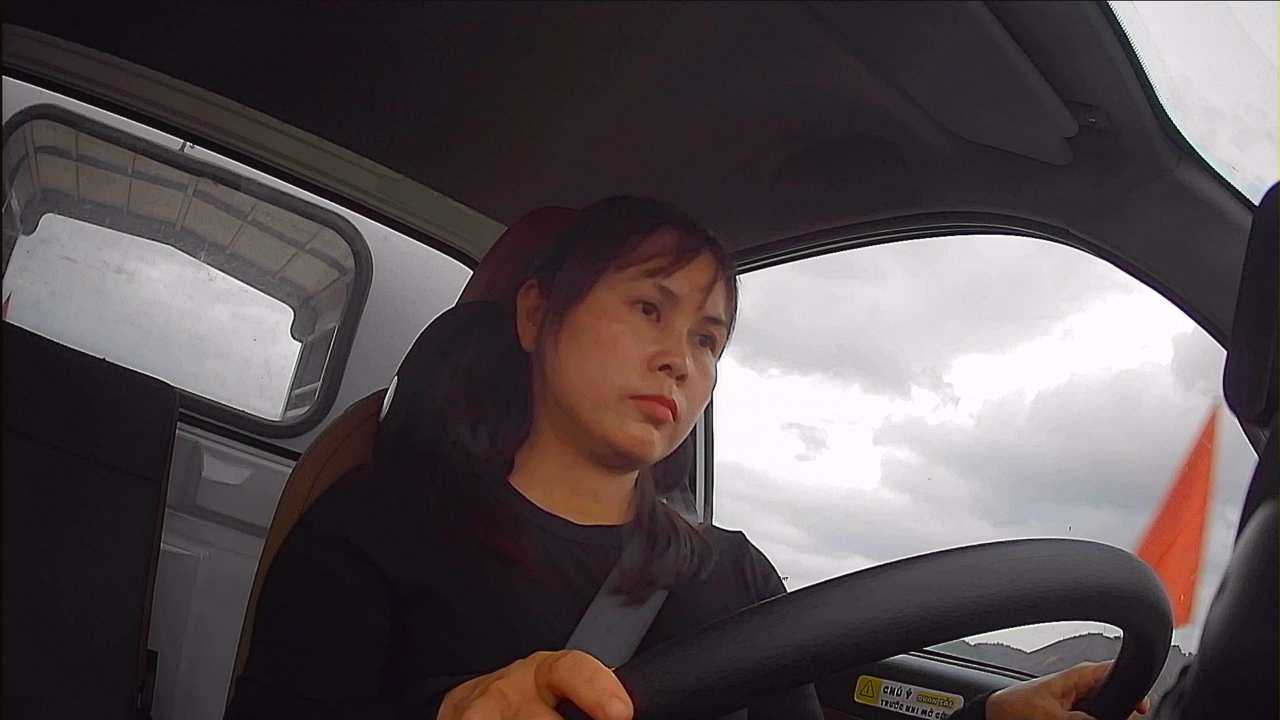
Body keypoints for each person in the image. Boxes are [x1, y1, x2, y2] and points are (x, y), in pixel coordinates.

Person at [226, 197, 1150, 720]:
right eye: (648, 309)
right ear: (537, 314)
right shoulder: (378, 526)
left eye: (709, 339)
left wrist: (987, 718)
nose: (682, 358)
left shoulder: (735, 578)